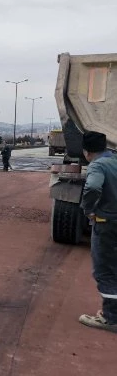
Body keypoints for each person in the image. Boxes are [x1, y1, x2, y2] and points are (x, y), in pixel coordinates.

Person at [78, 130, 117, 333]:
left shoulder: (97, 165)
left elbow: (93, 187)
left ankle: (111, 318)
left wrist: (89, 209)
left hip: (107, 224)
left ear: (86, 152)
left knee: (105, 270)